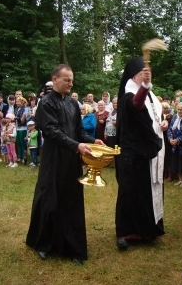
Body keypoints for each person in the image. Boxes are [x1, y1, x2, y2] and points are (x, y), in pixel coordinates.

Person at [26, 64, 104, 265]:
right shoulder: (46, 103)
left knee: (71, 202)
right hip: (54, 160)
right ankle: (45, 244)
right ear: (55, 79)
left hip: (71, 160)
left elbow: (78, 131)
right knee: (50, 201)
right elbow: (51, 131)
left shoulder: (72, 104)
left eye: (72, 79)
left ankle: (73, 247)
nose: (71, 82)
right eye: (66, 79)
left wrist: (90, 141)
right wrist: (76, 145)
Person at [115, 57, 168, 250]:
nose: (145, 76)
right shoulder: (129, 94)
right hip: (131, 152)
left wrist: (164, 124)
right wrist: (145, 85)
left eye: (147, 74)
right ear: (133, 76)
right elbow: (136, 105)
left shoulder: (151, 96)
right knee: (129, 192)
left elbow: (154, 118)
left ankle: (147, 230)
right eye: (141, 74)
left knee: (148, 189)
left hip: (148, 150)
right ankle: (125, 232)